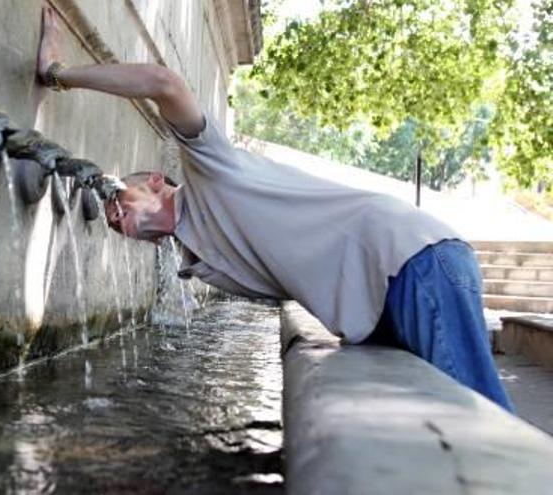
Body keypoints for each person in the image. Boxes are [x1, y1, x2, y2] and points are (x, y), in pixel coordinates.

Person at [35, 6, 513, 411]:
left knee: (479, 425)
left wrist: (58, 74)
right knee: (444, 433)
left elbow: (163, 82)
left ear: (158, 183)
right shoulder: (197, 262)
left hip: (410, 262)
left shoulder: (209, 170)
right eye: (113, 217)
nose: (114, 212)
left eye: (121, 196)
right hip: (382, 299)